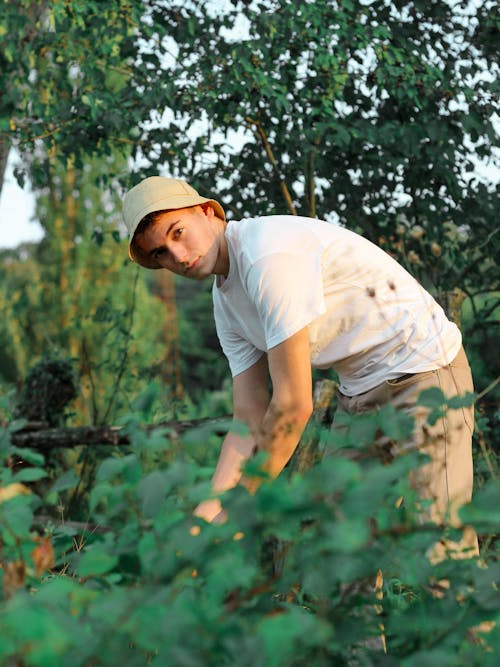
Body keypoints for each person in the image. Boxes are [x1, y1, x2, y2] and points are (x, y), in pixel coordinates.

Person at [122, 176, 478, 558]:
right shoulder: (226, 305)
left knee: (439, 545)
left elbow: (292, 407)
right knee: (340, 551)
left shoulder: (266, 256)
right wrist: (206, 517)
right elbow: (248, 419)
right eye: (160, 252)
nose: (176, 255)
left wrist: (238, 511)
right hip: (357, 393)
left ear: (208, 213)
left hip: (425, 371)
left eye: (178, 232)